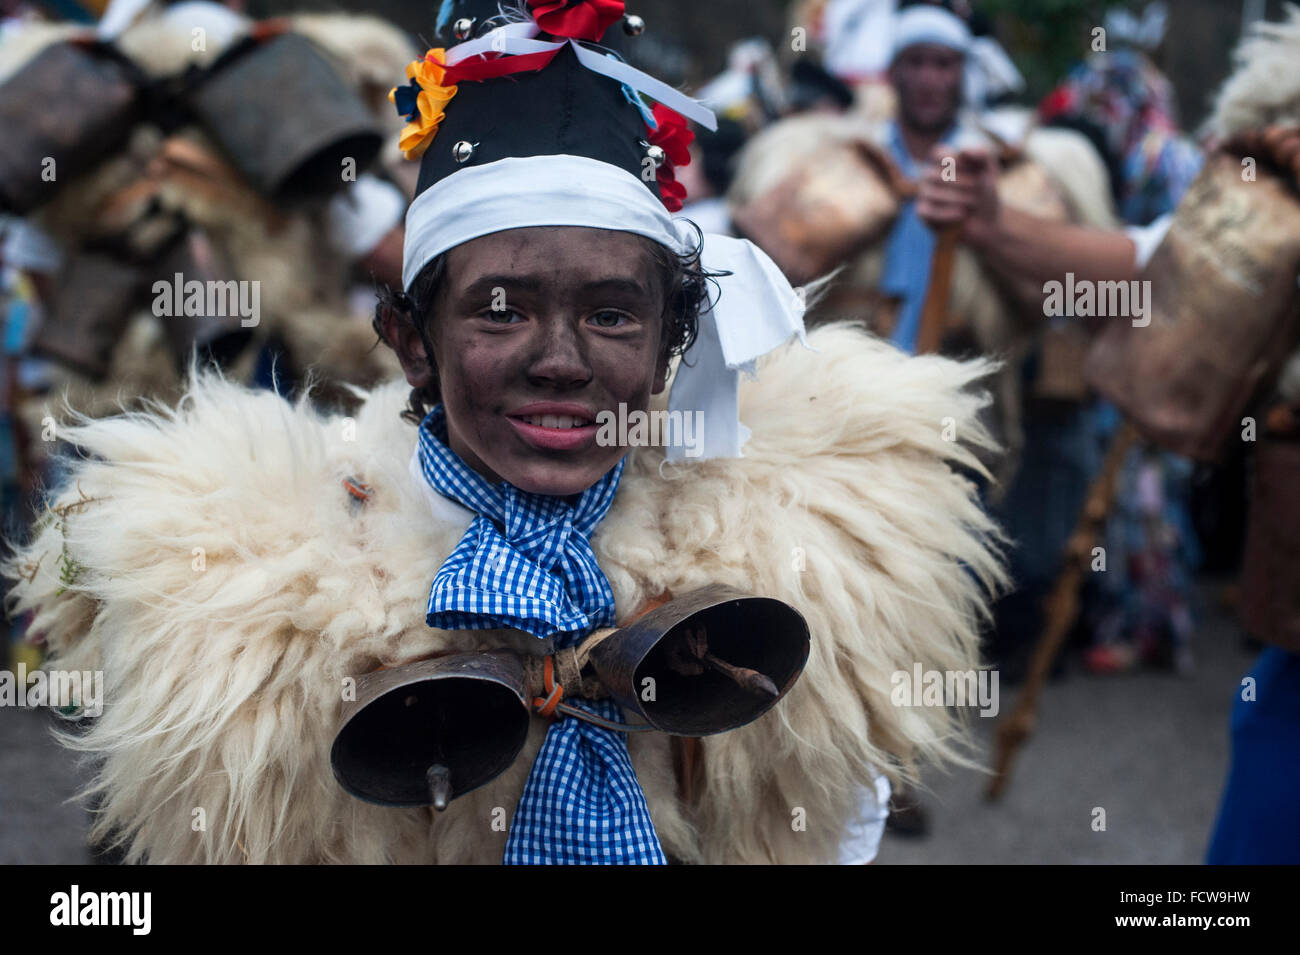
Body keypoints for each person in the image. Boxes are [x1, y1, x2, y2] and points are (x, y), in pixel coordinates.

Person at [5, 0, 1006, 865]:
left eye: (613, 315)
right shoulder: (257, 605)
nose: (559, 359)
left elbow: (818, 832)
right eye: (499, 310)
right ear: (408, 341)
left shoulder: (804, 567)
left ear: (671, 344)